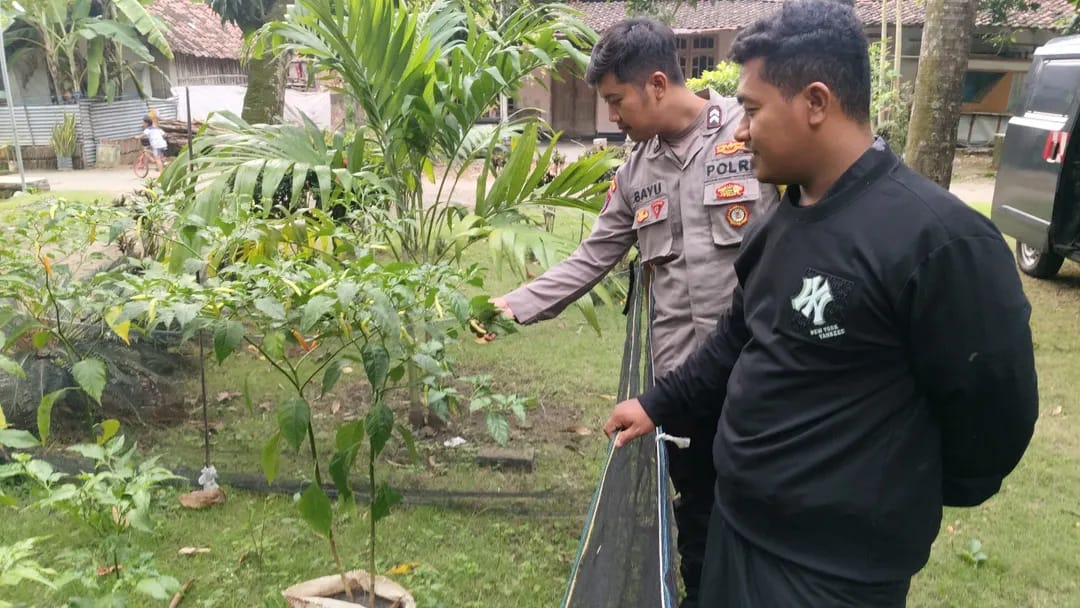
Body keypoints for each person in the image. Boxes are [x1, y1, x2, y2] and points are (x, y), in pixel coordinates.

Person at [603, 1, 1039, 605]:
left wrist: (886, 493)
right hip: (737, 532)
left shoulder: (937, 242)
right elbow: (735, 341)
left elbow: (994, 418)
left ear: (815, 102)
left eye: (752, 109)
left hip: (831, 573)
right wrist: (657, 403)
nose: (739, 130)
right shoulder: (781, 220)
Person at [491, 17, 780, 608]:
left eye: (616, 101)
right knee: (698, 536)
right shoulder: (634, 174)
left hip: (760, 381)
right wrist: (511, 308)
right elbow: (590, 259)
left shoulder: (749, 136)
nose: (613, 116)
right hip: (682, 393)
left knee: (766, 531)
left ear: (655, 84)